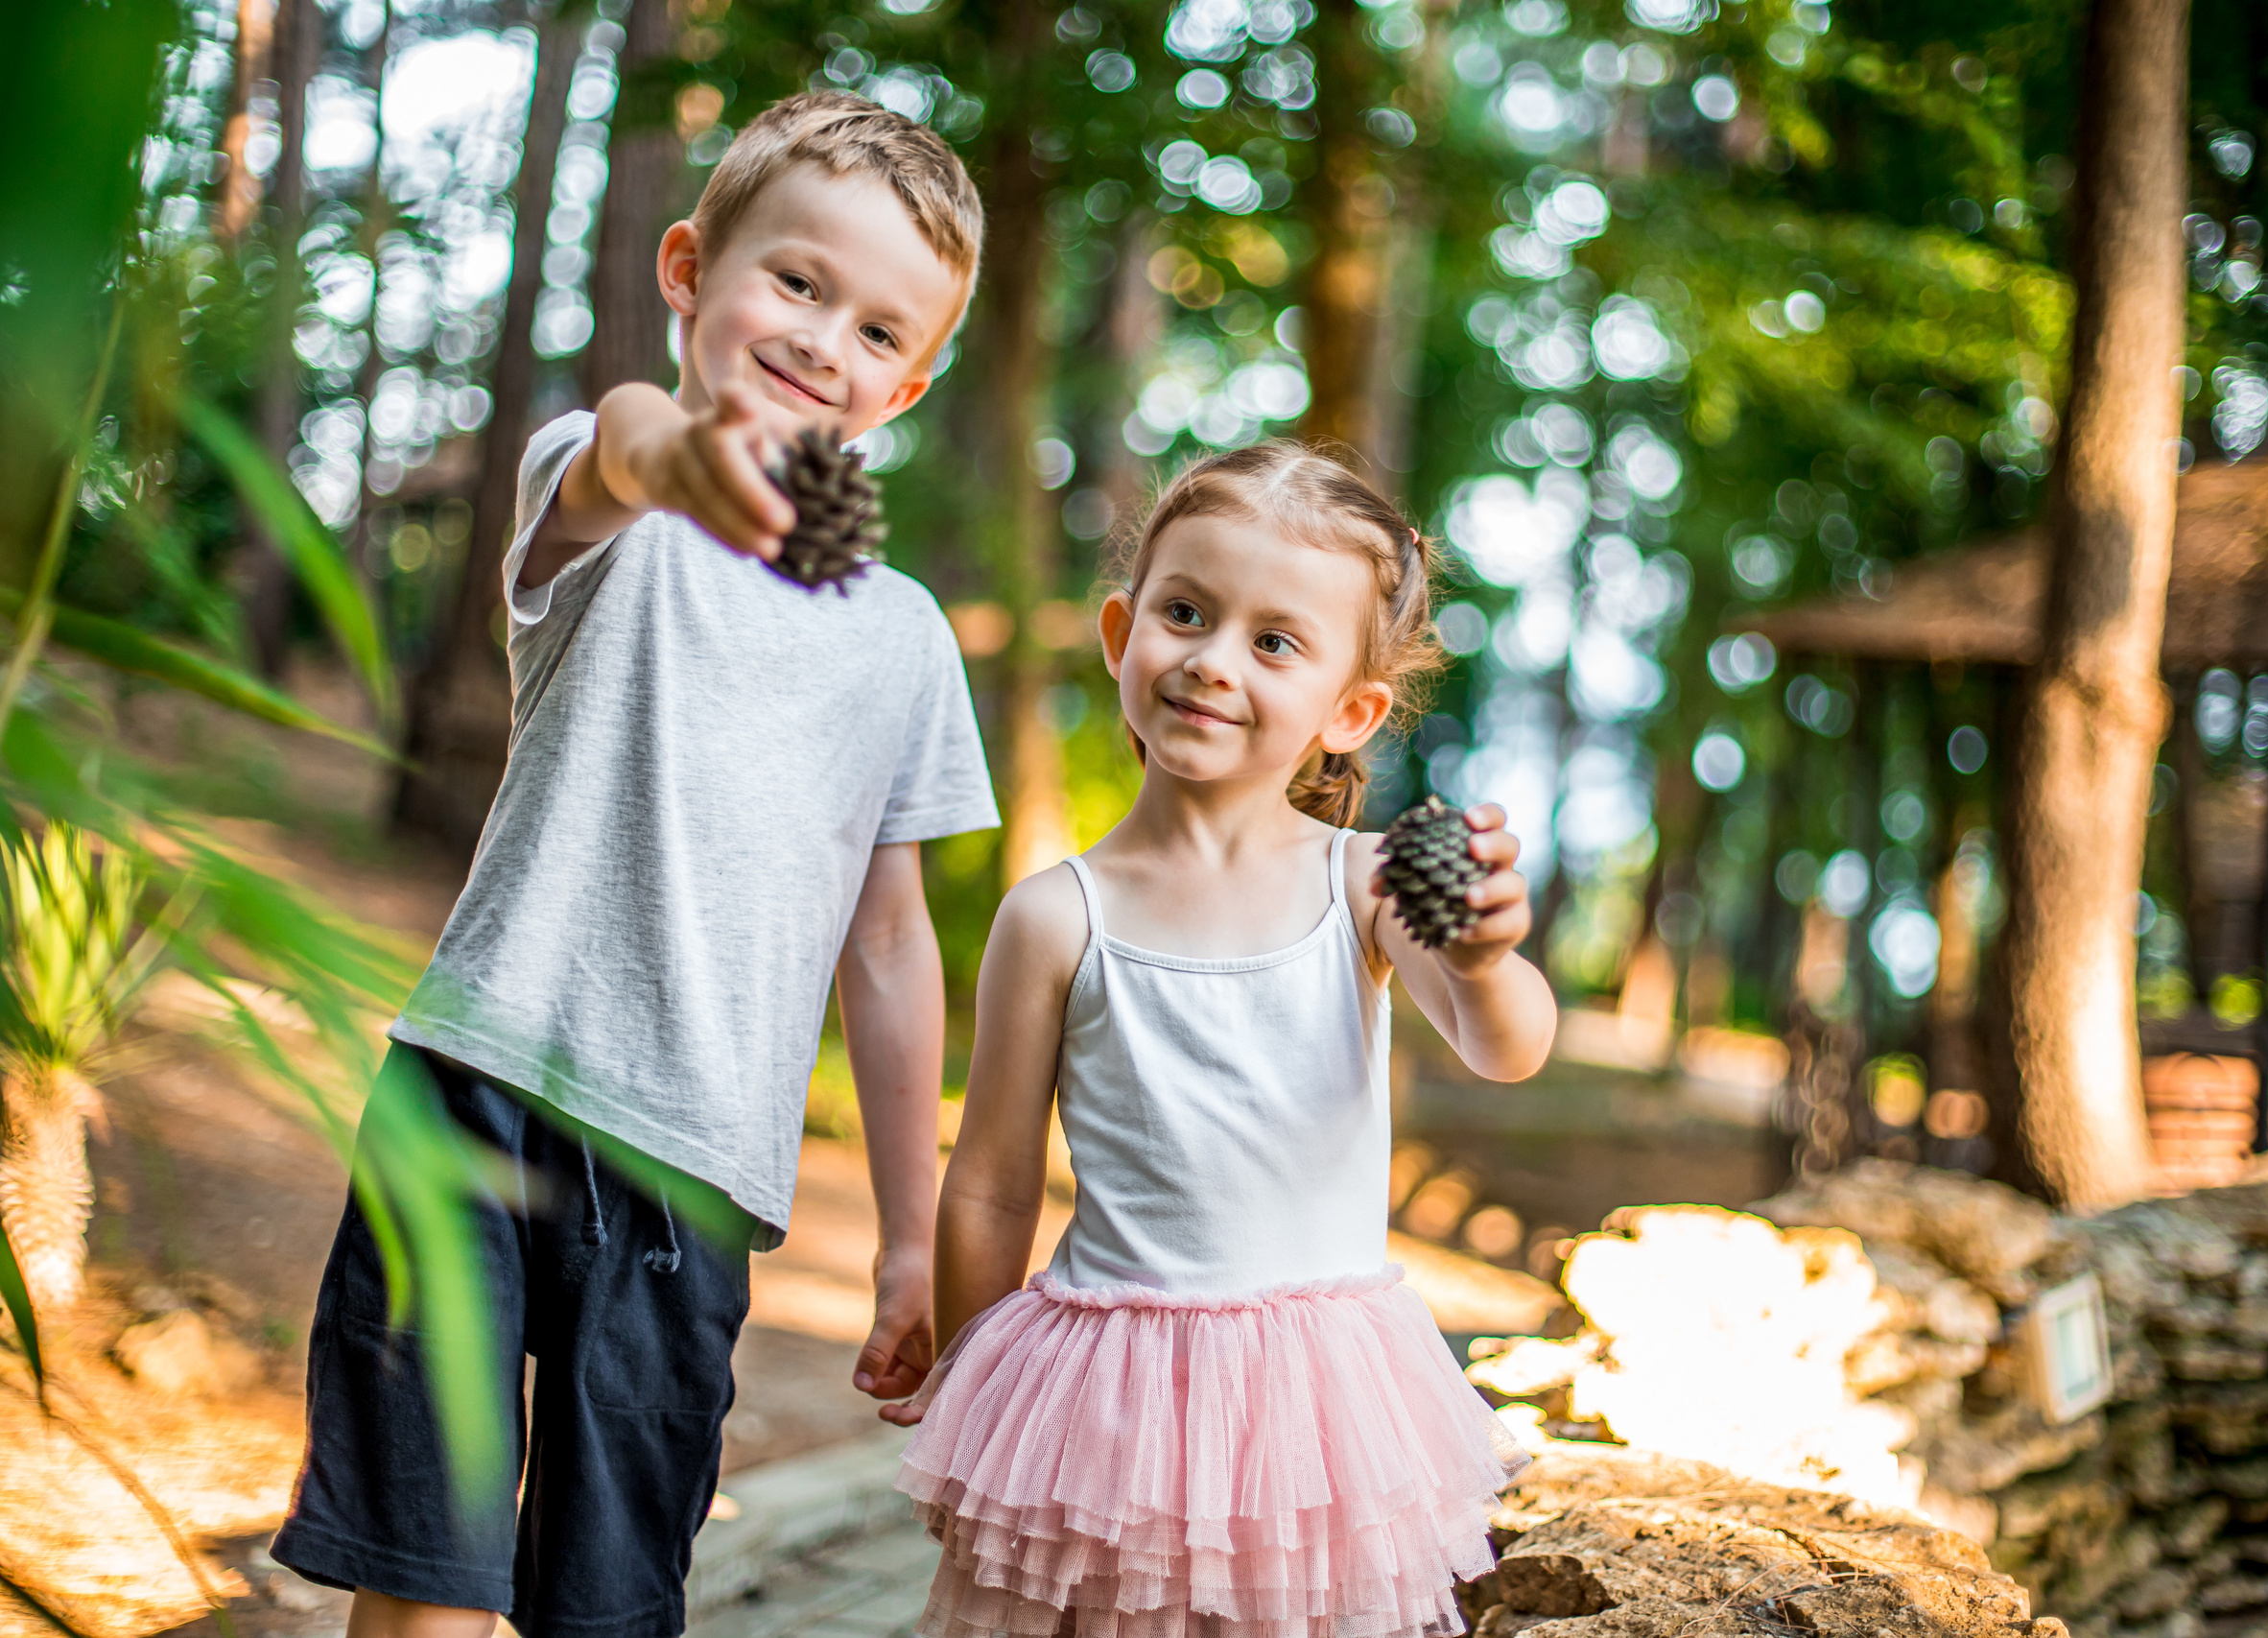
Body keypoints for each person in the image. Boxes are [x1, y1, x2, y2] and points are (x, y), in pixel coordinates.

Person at [271, 91, 998, 1638]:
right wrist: (677, 458)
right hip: (471, 1095)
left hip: (690, 1179)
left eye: (878, 329)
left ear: (912, 383)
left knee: (605, 1603)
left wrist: (913, 1230)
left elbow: (890, 945)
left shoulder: (906, 639)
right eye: (793, 282)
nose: (822, 340)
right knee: (423, 1582)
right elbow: (621, 440)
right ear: (687, 267)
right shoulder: (605, 489)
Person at [892, 442, 1559, 1638]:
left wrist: (1487, 958)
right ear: (1120, 630)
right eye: (1186, 614)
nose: (1210, 662)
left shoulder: (1365, 884)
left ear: (1348, 712)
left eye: (1274, 642)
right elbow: (990, 1185)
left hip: (1317, 1411)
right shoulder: (1054, 915)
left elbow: (1503, 1048)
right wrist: (966, 1388)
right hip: (1104, 1400)